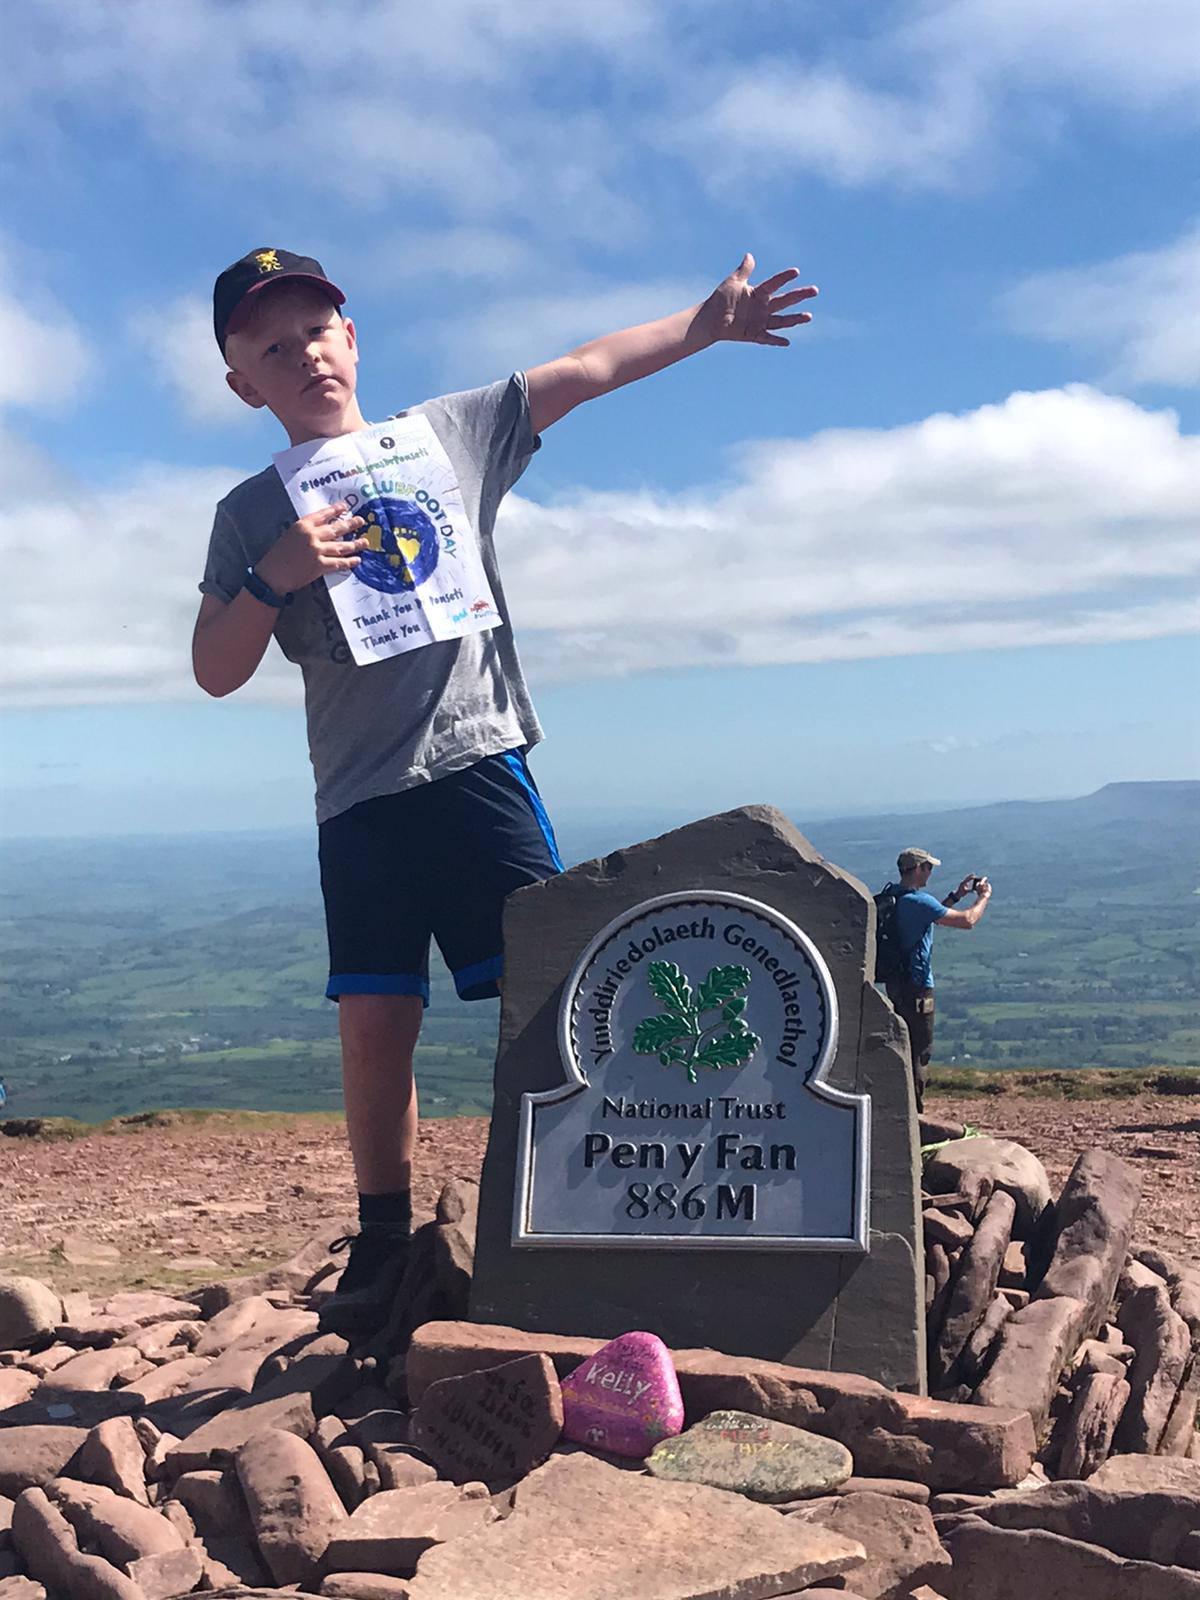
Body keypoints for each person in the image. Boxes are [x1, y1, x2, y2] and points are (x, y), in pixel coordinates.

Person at [192, 246, 817, 1336]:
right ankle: (384, 1237)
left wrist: (705, 323)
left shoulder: (447, 434)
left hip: (478, 764)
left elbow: (579, 369)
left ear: (353, 338)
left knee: (554, 998)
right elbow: (214, 665)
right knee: (375, 1020)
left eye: (318, 330)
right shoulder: (250, 513)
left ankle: (595, 1197)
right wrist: (272, 574)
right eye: (272, 346)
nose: (304, 355)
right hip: (357, 800)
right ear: (244, 383)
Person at [884, 847, 992, 1110]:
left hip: (897, 983)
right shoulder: (918, 901)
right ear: (919, 868)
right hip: (918, 988)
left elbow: (932, 918)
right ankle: (914, 1113)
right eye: (929, 867)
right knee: (919, 1052)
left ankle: (904, 1105)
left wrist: (956, 896)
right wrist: (983, 898)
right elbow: (967, 921)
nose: (930, 872)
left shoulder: (895, 897)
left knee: (903, 1045)